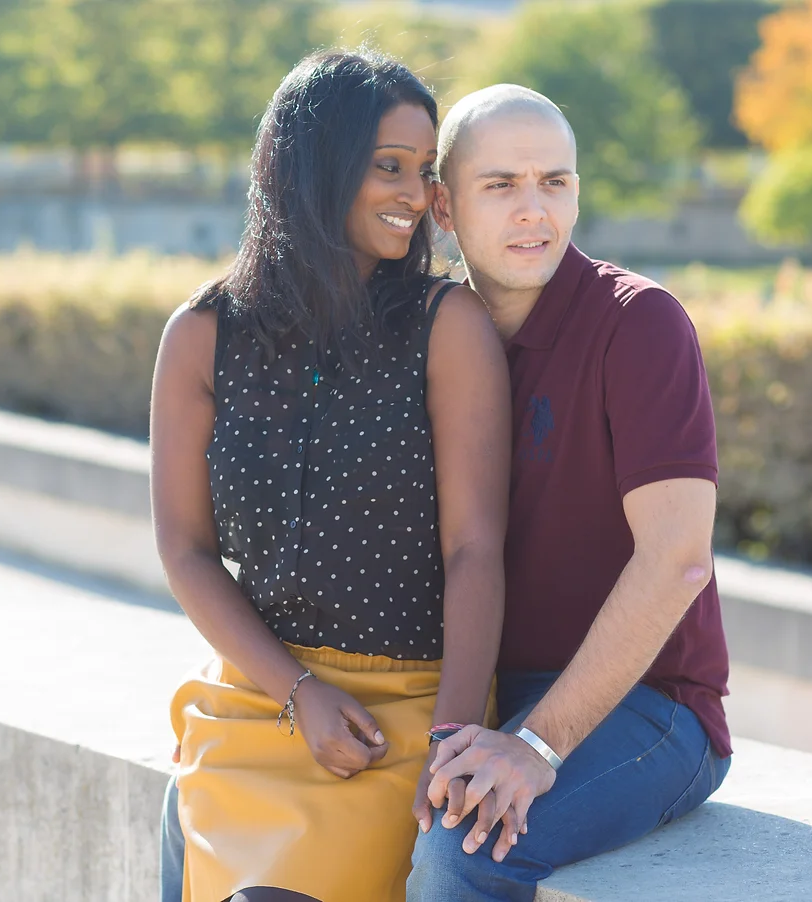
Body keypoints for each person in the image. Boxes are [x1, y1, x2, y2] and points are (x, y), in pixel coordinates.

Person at [150, 50, 511, 902]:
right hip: (259, 703)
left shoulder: (444, 323)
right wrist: (297, 692)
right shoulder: (202, 334)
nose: (414, 195)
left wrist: (452, 740)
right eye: (388, 167)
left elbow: (475, 550)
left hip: (410, 707)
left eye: (424, 173)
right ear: (314, 166)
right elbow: (186, 551)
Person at [403, 84, 733, 901]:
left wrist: (537, 747)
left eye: (555, 182)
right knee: (218, 790)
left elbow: (677, 561)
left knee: (463, 851)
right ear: (443, 206)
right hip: (483, 688)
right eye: (501, 184)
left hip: (653, 710)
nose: (534, 210)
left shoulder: (640, 324)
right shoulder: (433, 334)